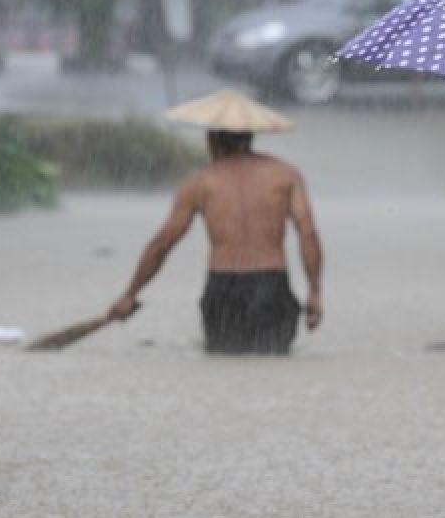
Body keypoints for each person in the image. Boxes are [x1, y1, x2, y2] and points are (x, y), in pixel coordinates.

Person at [110, 129, 323, 354]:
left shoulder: (200, 182)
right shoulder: (285, 175)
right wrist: (315, 292)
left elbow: (163, 243)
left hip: (224, 290)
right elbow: (307, 233)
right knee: (274, 365)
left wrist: (130, 294)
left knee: (224, 365)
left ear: (213, 139)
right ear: (250, 136)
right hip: (271, 287)